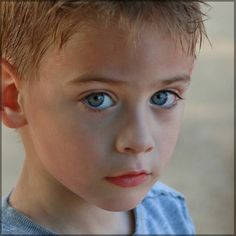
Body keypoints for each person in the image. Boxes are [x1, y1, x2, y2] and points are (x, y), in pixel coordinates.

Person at [1, 1, 209, 234]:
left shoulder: (168, 212)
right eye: (98, 99)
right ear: (13, 97)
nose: (140, 142)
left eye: (162, 97)